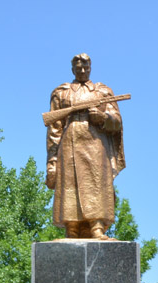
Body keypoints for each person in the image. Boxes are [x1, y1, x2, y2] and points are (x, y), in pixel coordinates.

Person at [45, 53, 125, 240]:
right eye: (78, 67)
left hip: (96, 143)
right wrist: (52, 159)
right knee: (69, 183)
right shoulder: (62, 92)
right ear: (72, 69)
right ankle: (71, 228)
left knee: (96, 182)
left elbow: (117, 122)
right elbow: (54, 128)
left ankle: (97, 226)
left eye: (85, 67)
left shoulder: (102, 91)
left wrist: (103, 117)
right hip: (70, 141)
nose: (82, 70)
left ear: (91, 68)